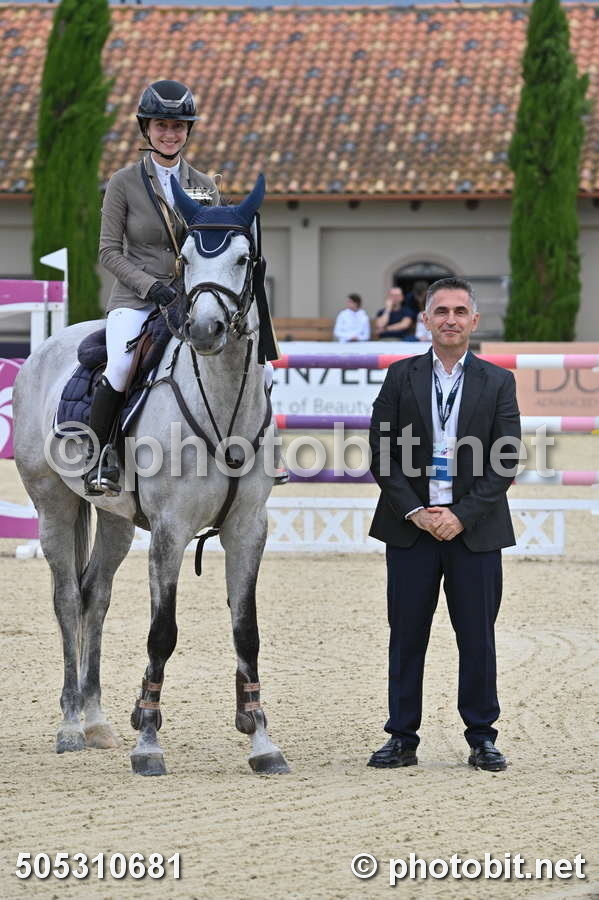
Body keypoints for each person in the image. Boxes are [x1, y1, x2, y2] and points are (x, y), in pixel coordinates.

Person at [367, 277, 521, 772]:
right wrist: (415, 512)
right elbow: (381, 451)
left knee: (477, 638)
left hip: (475, 532)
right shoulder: (400, 376)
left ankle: (482, 737)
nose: (450, 319)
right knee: (406, 637)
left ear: (474, 320)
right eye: (441, 311)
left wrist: (460, 515)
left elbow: (506, 459)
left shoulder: (498, 381)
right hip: (410, 529)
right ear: (426, 320)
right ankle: (401, 738)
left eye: (459, 311)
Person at [85, 80, 220, 495]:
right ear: (146, 128)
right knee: (120, 366)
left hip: (188, 299)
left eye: (178, 126)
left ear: (188, 131)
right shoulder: (124, 182)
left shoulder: (205, 186)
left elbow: (212, 249)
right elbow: (109, 252)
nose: (170, 134)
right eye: (161, 125)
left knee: (236, 358)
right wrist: (150, 288)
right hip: (136, 299)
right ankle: (101, 457)